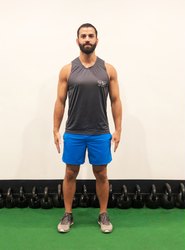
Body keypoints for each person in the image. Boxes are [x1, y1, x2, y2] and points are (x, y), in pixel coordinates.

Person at [53, 23, 122, 233]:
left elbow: (116, 101)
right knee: (70, 172)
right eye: (83, 36)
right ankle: (68, 214)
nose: (87, 39)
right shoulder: (68, 69)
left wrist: (118, 129)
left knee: (101, 173)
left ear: (97, 40)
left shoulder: (108, 69)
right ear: (77, 41)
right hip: (74, 131)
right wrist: (55, 129)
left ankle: (103, 213)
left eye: (91, 36)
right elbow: (60, 101)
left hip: (100, 132)